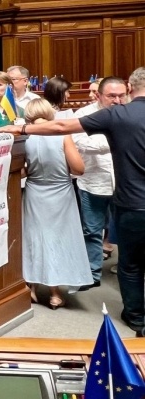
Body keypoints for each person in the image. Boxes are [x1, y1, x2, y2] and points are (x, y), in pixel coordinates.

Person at [0, 67, 145, 335]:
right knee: (63, 238)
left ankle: (136, 319)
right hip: (68, 191)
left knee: (130, 264)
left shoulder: (119, 114)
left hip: (128, 201)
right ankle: (57, 291)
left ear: (131, 89)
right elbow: (77, 164)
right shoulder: (114, 113)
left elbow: (62, 127)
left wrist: (21, 128)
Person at [21, 99, 91, 309]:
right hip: (60, 192)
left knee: (33, 238)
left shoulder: (26, 137)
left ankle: (30, 287)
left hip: (34, 191)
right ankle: (55, 294)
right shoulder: (61, 135)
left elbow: (22, 171)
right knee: (58, 239)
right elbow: (79, 169)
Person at [72, 77, 126, 290]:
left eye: (121, 95)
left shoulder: (130, 113)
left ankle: (126, 269)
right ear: (99, 95)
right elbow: (80, 143)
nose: (117, 100)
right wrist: (115, 141)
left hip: (124, 183)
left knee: (126, 230)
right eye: (111, 96)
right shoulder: (83, 115)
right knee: (92, 230)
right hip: (93, 182)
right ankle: (92, 273)